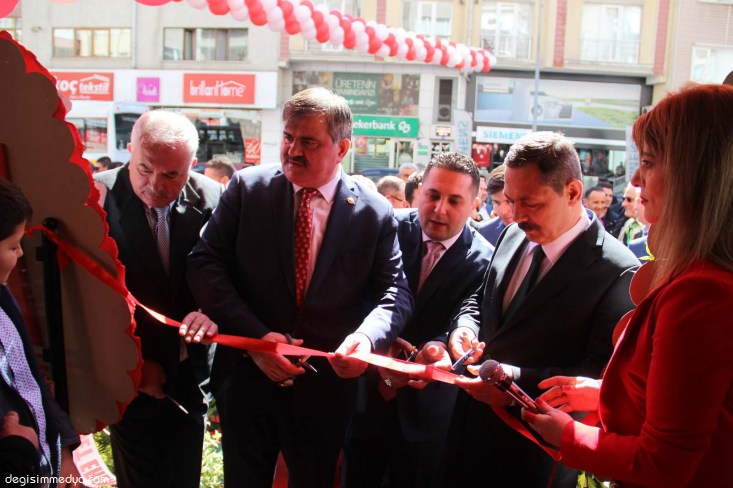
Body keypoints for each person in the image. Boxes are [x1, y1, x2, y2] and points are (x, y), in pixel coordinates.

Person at [187, 87, 412, 487]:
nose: (293, 151)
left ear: (342, 148)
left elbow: (394, 292)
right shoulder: (247, 189)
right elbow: (205, 263)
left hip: (323, 389)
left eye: (309, 142)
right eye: (288, 137)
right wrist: (256, 339)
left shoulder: (373, 212)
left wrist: (365, 339)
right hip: (247, 378)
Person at [523, 84, 733, 487]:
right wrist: (606, 393)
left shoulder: (701, 293)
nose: (635, 179)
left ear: (693, 176)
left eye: (648, 163)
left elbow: (664, 463)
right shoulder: (701, 280)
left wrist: (568, 435)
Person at [442, 131, 639, 487]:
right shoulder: (512, 234)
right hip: (465, 436)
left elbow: (599, 376)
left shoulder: (617, 270)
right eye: (510, 200)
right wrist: (465, 328)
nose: (516, 216)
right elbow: (481, 298)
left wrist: (511, 382)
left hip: (533, 457)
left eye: (530, 203)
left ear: (573, 192)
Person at [343, 152, 493, 488]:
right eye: (433, 195)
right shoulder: (386, 229)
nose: (439, 209)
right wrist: (378, 345)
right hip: (365, 395)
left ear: (474, 204)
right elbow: (354, 293)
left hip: (427, 411)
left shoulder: (486, 260)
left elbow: (469, 318)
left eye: (454, 200)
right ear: (419, 190)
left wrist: (435, 351)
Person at [94, 110, 221, 488]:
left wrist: (210, 312)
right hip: (131, 376)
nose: (155, 185)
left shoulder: (212, 197)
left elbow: (225, 273)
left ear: (191, 165)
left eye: (171, 175)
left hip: (190, 375)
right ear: (130, 151)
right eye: (145, 169)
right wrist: (132, 363)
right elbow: (86, 299)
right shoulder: (95, 198)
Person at [0, 178, 80, 485]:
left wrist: (64, 449)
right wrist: (17, 452)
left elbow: (31, 382)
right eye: (13, 246)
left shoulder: (4, 299)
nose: (21, 253)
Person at [478, 164, 513, 246]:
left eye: (508, 201)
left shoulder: (538, 232)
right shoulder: (485, 232)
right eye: (497, 202)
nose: (503, 211)